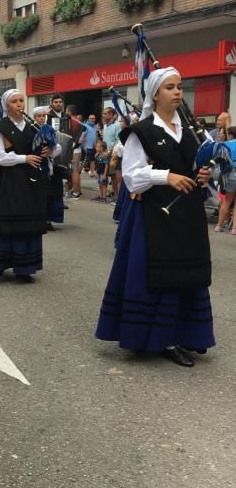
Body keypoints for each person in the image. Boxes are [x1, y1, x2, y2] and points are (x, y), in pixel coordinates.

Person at [96, 67, 214, 367]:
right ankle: (159, 339)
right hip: (153, 216)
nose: (177, 92)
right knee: (160, 274)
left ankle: (183, 333)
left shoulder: (188, 132)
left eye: (179, 86)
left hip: (186, 215)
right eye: (170, 87)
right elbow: (133, 178)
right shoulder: (142, 132)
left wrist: (202, 174)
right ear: (155, 94)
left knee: (186, 273)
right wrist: (167, 177)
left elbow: (194, 169)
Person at [0, 90, 60, 281]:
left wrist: (49, 150)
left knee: (28, 221)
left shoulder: (33, 126)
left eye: (21, 100)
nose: (20, 104)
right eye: (15, 101)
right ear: (7, 106)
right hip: (6, 180)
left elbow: (57, 147)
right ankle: (0, 262)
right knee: (4, 220)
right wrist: (25, 158)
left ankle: (25, 267)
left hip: (30, 182)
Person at [33, 106, 63, 231]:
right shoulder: (31, 130)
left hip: (47, 166)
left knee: (49, 195)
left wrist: (51, 151)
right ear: (34, 117)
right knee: (37, 195)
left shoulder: (50, 130)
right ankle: (37, 220)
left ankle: (48, 220)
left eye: (43, 116)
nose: (41, 118)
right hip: (34, 165)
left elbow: (58, 147)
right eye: (39, 116)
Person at [214, 125, 236, 234]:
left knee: (227, 201)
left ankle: (219, 226)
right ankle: (234, 229)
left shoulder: (224, 145)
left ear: (230, 134)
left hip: (230, 175)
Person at [102, 107, 121, 198]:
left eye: (105, 114)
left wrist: (109, 152)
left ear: (110, 115)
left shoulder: (117, 125)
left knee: (114, 176)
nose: (103, 115)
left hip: (113, 154)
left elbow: (118, 140)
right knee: (108, 175)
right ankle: (113, 192)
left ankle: (117, 196)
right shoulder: (105, 126)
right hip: (105, 154)